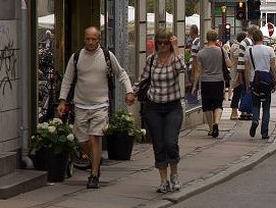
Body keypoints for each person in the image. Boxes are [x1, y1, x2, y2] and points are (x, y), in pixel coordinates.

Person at [58, 26, 135, 189]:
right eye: (88, 39)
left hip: (100, 104)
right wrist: (62, 100)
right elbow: (67, 79)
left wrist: (129, 91)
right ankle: (95, 160)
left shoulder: (107, 56)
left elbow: (121, 73)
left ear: (99, 40)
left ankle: (94, 175)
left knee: (95, 137)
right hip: (80, 104)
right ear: (84, 39)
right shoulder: (77, 57)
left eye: (94, 39)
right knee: (81, 139)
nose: (91, 42)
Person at [133, 29, 187, 193]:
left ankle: (175, 175)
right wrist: (131, 93)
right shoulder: (151, 60)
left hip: (173, 107)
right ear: (156, 44)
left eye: (165, 42)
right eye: (160, 43)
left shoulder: (175, 59)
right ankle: (163, 180)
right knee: (159, 144)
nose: (162, 45)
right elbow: (142, 80)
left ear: (170, 43)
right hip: (153, 107)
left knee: (171, 142)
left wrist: (176, 47)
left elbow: (182, 68)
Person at [192, 30, 232, 138]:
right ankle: (216, 123)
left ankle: (210, 128)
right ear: (216, 38)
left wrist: (195, 85)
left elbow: (198, 71)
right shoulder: (221, 50)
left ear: (206, 38)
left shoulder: (201, 53)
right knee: (218, 104)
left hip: (205, 82)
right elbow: (229, 64)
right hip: (218, 81)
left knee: (207, 106)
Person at [244, 29, 276, 139]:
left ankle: (255, 120)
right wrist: (274, 81)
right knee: (266, 107)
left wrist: (248, 83)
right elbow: (273, 67)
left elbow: (247, 69)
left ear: (253, 38)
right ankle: (264, 132)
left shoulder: (249, 51)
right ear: (263, 38)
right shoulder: (270, 50)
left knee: (255, 104)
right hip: (266, 81)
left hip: (254, 80)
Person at [229, 32, 248, 117]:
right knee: (238, 91)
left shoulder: (234, 46)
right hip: (238, 72)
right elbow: (238, 57)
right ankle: (234, 112)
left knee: (238, 92)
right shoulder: (237, 47)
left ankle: (236, 111)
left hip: (236, 71)